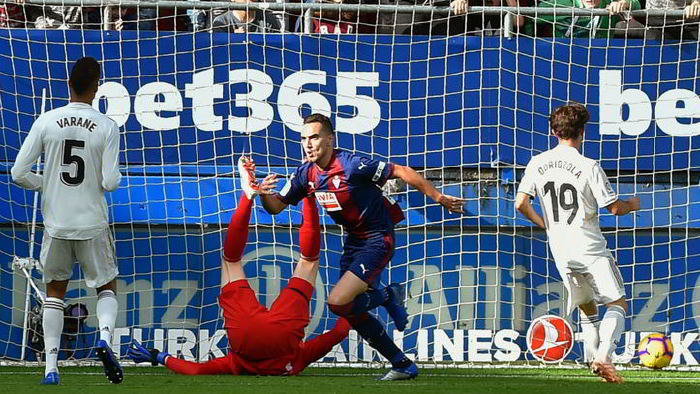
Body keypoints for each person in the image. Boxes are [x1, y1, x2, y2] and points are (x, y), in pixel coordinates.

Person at [252, 113, 465, 380]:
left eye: (315, 137)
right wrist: (260, 193)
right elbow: (275, 207)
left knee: (337, 301)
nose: (308, 144)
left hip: (378, 239)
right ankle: (401, 364)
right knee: (347, 309)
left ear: (330, 140)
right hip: (354, 242)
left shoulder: (352, 165)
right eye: (304, 138)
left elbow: (401, 171)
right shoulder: (305, 173)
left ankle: (387, 297)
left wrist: (439, 196)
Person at [128, 162, 350, 375]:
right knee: (232, 260)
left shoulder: (295, 360)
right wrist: (159, 356)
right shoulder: (237, 365)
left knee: (307, 260)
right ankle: (264, 195)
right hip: (248, 335)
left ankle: (295, 193)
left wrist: (358, 306)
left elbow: (339, 332)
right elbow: (196, 370)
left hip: (276, 336)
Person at [11, 57, 123, 385]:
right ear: (97, 88)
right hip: (92, 224)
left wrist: (45, 182)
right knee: (106, 286)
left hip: (57, 224)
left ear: (69, 85)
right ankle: (103, 337)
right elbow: (111, 182)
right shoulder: (107, 126)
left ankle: (50, 367)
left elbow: (18, 173)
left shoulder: (47, 120)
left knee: (54, 292)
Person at [515, 103, 641, 383]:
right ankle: (604, 357)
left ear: (552, 131)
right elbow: (614, 208)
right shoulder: (589, 166)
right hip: (590, 246)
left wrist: (545, 224)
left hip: (560, 248)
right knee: (617, 303)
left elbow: (520, 203)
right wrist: (633, 204)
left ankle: (590, 359)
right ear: (583, 132)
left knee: (587, 305)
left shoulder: (537, 162)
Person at [535, 0, 640, 38]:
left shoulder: (611, 3)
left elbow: (637, 5)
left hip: (599, 53)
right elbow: (530, 18)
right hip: (563, 53)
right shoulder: (560, 4)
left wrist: (624, 3)